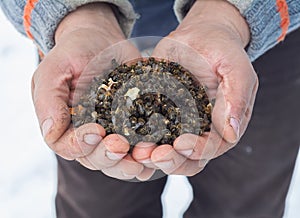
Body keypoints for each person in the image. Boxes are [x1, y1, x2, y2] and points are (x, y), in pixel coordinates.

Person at [1, 0, 300, 217]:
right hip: (84, 46)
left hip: (259, 35)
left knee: (244, 201)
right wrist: (73, 18)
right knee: (102, 206)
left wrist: (229, 15)